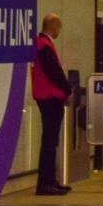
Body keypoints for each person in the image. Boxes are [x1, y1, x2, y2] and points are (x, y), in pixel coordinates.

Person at [30, 13, 73, 196]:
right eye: (58, 28)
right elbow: (53, 71)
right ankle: (45, 183)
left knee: (51, 139)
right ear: (54, 26)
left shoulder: (41, 44)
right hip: (49, 95)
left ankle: (50, 180)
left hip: (44, 95)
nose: (59, 32)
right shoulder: (44, 45)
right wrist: (67, 88)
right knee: (49, 140)